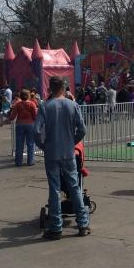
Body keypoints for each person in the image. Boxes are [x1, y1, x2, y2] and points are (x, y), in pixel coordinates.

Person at [33, 75, 90, 240]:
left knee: (54, 188)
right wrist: (73, 140)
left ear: (50, 88)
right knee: (74, 187)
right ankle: (83, 224)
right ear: (64, 87)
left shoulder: (45, 107)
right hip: (68, 151)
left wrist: (43, 145)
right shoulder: (73, 105)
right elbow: (82, 129)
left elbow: (36, 131)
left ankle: (56, 227)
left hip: (51, 152)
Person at [10, 90, 38, 167]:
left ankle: (18, 162)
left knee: (19, 144)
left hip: (20, 124)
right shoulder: (32, 104)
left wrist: (6, 120)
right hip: (30, 125)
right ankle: (30, 161)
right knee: (30, 144)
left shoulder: (17, 104)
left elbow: (13, 116)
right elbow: (35, 116)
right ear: (28, 96)